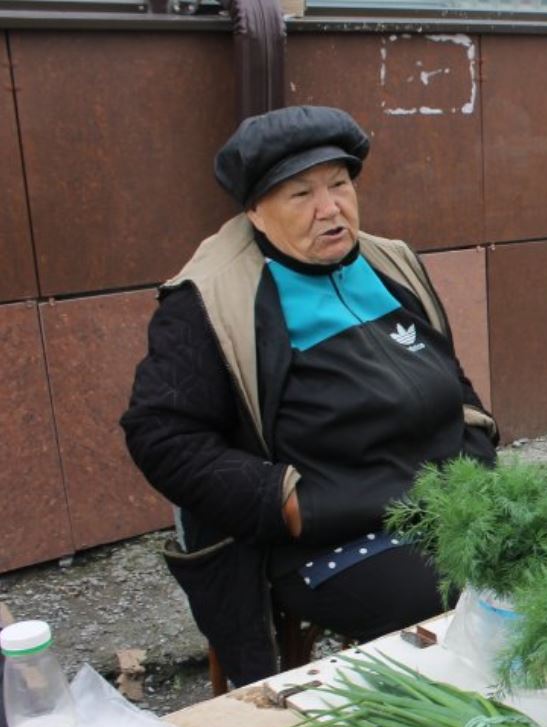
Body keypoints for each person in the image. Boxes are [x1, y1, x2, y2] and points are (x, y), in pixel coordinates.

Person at [121, 106, 497, 685]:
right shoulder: (210, 301)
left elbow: (449, 373)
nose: (330, 209)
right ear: (254, 210)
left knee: (543, 556)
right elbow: (161, 436)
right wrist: (285, 504)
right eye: (300, 195)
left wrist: (475, 440)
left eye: (340, 185)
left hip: (445, 497)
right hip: (329, 534)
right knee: (458, 602)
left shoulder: (389, 262)